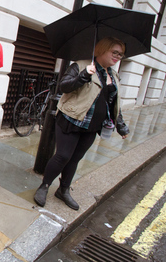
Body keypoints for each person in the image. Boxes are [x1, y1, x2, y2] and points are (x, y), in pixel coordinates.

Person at [34, 36, 130, 210]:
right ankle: (45, 186)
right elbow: (64, 86)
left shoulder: (113, 75)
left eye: (121, 54)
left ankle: (63, 190)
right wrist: (84, 75)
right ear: (102, 49)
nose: (117, 57)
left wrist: (120, 125)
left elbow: (114, 104)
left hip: (92, 125)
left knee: (75, 158)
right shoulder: (80, 65)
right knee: (63, 155)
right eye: (114, 52)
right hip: (71, 119)